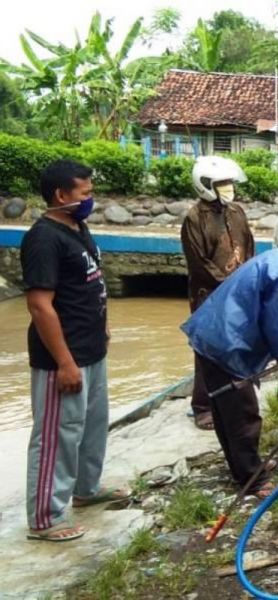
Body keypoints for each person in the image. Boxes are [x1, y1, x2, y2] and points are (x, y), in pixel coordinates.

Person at [180, 232, 278, 498]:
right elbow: (276, 328)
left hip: (212, 334)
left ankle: (243, 467)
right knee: (243, 414)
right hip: (226, 343)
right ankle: (252, 479)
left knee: (225, 412)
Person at [22, 160, 128, 542]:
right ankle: (45, 517)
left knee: (92, 426)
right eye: (84, 194)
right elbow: (39, 305)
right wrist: (64, 362)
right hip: (62, 358)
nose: (90, 199)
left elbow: (91, 283)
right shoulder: (43, 238)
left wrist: (103, 326)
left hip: (92, 349)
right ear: (61, 196)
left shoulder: (77, 228)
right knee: (57, 435)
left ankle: (85, 489)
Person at [181, 156, 255, 430]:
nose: (228, 187)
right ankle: (202, 406)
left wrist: (247, 279)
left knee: (236, 342)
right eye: (222, 183)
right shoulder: (194, 218)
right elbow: (199, 263)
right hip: (208, 294)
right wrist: (227, 284)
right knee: (207, 348)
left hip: (237, 291)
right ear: (206, 185)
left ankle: (233, 396)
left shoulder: (236, 212)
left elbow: (249, 246)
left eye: (229, 183)